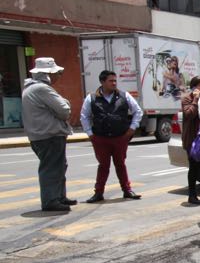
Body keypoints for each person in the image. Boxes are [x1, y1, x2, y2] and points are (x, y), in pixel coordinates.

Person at [80, 70, 144, 203]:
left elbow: (138, 111)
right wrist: (90, 134)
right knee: (103, 165)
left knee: (120, 164)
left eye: (115, 81)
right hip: (101, 138)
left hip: (120, 137)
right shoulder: (91, 98)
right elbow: (84, 116)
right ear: (102, 82)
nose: (114, 83)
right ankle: (98, 193)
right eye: (111, 81)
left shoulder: (124, 95)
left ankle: (127, 190)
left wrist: (132, 128)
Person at [22, 57, 74, 212]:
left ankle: (59, 196)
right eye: (55, 73)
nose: (57, 77)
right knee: (51, 168)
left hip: (40, 135)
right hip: (49, 135)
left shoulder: (30, 89)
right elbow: (64, 110)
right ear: (47, 74)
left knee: (58, 166)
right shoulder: (42, 89)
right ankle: (51, 200)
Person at [181, 75, 200, 205]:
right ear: (195, 87)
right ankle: (192, 194)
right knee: (194, 167)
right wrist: (195, 99)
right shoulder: (187, 98)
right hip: (192, 138)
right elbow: (189, 114)